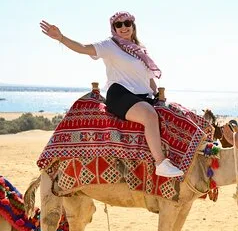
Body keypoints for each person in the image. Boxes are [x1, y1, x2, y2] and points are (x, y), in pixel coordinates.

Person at [39, 12, 183, 177]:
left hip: (142, 97)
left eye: (127, 23)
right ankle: (160, 163)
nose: (123, 27)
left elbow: (147, 77)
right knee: (149, 115)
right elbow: (83, 48)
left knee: (170, 114)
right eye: (118, 24)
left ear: (133, 26)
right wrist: (61, 37)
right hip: (120, 94)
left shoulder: (139, 50)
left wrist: (156, 94)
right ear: (114, 28)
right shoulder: (110, 45)